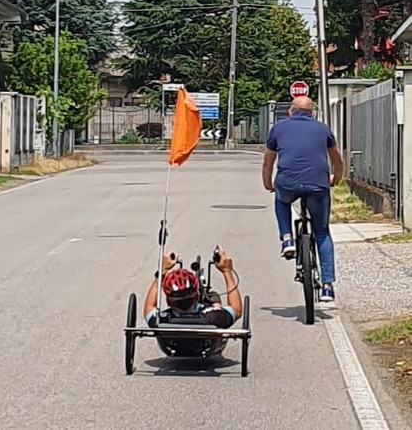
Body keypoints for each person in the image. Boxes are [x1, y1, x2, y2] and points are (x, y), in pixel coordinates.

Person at [261, 96, 344, 302]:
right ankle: (327, 286)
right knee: (322, 232)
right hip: (318, 185)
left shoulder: (278, 128)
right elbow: (337, 160)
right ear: (312, 113)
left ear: (290, 111)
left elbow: (268, 162)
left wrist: (268, 183)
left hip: (287, 183)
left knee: (281, 200)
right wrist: (336, 179)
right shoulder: (323, 129)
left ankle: (287, 238)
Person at [142, 246, 242, 329]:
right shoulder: (215, 317)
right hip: (206, 343)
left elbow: (148, 309)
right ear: (196, 295)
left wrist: (162, 270)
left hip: (173, 346)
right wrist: (226, 270)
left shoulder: (161, 320)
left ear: (169, 300)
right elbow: (237, 310)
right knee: (214, 299)